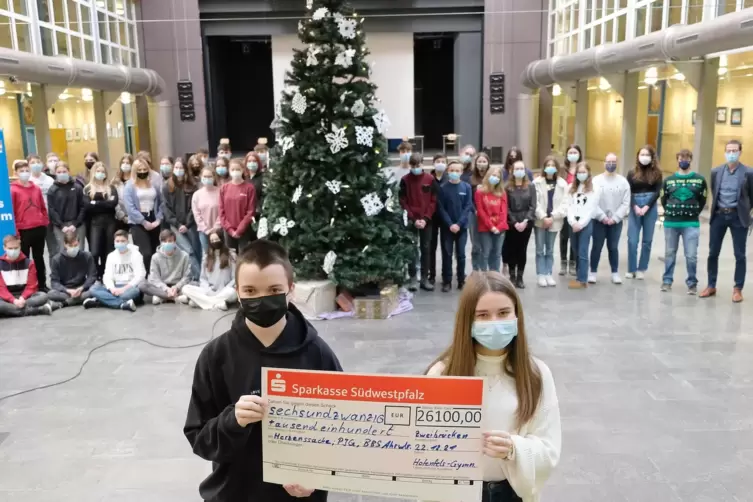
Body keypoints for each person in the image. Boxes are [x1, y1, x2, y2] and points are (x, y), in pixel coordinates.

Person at [184, 239, 342, 502]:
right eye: (250, 290)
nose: (261, 299)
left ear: (290, 289)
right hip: (233, 492)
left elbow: (341, 433)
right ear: (237, 291)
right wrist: (232, 420)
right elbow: (199, 439)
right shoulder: (216, 356)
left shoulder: (318, 354)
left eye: (273, 289)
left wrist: (316, 477)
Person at [425, 271, 561, 502]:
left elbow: (549, 447)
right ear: (467, 321)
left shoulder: (536, 374)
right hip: (457, 493)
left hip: (511, 493)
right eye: (483, 315)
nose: (495, 323)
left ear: (516, 315)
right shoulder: (442, 374)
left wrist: (513, 449)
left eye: (504, 313)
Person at [700, 139, 753, 303]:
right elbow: (714, 191)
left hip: (738, 217)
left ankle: (738, 289)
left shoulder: (748, 172)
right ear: (724, 152)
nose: (731, 153)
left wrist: (747, 211)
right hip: (719, 216)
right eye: (729, 150)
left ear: (740, 152)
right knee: (713, 252)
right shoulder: (716, 172)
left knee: (740, 254)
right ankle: (711, 285)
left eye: (734, 150)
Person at [660, 149, 707, 295]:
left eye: (686, 158)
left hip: (691, 224)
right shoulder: (668, 181)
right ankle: (667, 281)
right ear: (677, 160)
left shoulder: (700, 180)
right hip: (671, 223)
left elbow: (702, 200)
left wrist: (693, 213)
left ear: (691, 160)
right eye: (681, 158)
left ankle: (692, 283)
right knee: (669, 253)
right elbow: (663, 199)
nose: (683, 161)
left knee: (691, 255)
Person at [589, 153, 631, 285]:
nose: (611, 164)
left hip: (615, 222)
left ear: (617, 164)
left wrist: (616, 217)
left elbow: (626, 202)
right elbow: (592, 201)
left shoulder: (623, 182)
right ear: (604, 163)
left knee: (613, 247)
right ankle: (593, 272)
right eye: (608, 161)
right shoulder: (596, 181)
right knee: (597, 246)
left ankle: (615, 272)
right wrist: (602, 216)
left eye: (613, 162)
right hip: (599, 221)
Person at [400, 152, 437, 292]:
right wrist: (414, 219)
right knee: (411, 249)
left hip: (427, 220)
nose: (416, 168)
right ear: (410, 165)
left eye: (418, 165)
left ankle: (425, 278)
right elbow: (403, 201)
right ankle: (413, 278)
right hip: (411, 220)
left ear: (423, 164)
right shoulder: (405, 180)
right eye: (413, 165)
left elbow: (433, 201)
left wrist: (425, 218)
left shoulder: (430, 179)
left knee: (426, 249)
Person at [10, 159, 49, 291]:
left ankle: (42, 284)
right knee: (24, 259)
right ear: (15, 173)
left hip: (38, 227)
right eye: (21, 171)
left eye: (27, 170)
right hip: (23, 230)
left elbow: (42, 207)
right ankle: (27, 286)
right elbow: (13, 211)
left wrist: (44, 221)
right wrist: (16, 231)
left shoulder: (36, 188)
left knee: (39, 258)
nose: (25, 173)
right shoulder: (13, 190)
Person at [626, 145, 662, 280]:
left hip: (650, 206)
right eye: (642, 154)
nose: (644, 157)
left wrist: (647, 206)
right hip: (634, 205)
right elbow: (627, 191)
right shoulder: (631, 172)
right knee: (632, 240)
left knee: (647, 241)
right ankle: (631, 268)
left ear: (652, 157)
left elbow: (658, 191)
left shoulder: (657, 173)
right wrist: (635, 206)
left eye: (647, 155)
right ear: (637, 156)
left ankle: (642, 268)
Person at [163, 157, 202, 280]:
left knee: (197, 251)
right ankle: (198, 277)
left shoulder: (193, 185)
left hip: (191, 225)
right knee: (188, 251)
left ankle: (201, 277)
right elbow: (166, 208)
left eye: (181, 168)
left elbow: (194, 207)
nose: (178, 170)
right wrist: (178, 225)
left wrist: (187, 224)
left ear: (186, 170)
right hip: (176, 226)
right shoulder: (167, 186)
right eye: (176, 167)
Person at [87, 230, 145, 311]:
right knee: (93, 289)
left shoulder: (136, 254)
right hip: (115, 287)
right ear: (114, 242)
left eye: (122, 241)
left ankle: (101, 301)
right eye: (117, 241)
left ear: (127, 242)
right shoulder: (111, 256)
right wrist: (112, 289)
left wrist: (124, 289)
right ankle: (122, 304)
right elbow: (107, 276)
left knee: (133, 292)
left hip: (130, 287)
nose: (120, 243)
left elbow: (140, 275)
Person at [533, 156, 569, 287]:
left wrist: (552, 217)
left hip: (555, 220)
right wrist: (543, 216)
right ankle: (540, 274)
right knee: (539, 249)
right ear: (544, 167)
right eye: (547, 165)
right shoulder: (536, 182)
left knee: (549, 249)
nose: (550, 168)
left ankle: (548, 273)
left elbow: (565, 204)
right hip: (540, 221)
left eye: (553, 165)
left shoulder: (563, 184)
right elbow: (534, 202)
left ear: (557, 168)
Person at [438, 160, 473, 292]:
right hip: (447, 228)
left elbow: (468, 206)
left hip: (461, 228)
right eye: (452, 170)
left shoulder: (466, 187)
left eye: (457, 171)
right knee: (446, 254)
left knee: (461, 254)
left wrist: (458, 224)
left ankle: (461, 280)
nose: (454, 173)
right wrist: (450, 224)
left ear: (461, 172)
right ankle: (447, 281)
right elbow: (441, 208)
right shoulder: (443, 188)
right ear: (448, 171)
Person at [181, 229, 238, 310]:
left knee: (232, 292)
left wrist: (223, 290)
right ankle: (218, 303)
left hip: (225, 291)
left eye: (216, 239)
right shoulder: (206, 257)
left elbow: (235, 278)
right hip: (208, 291)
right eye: (212, 240)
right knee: (185, 288)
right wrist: (208, 290)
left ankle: (200, 302)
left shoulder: (231, 255)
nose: (214, 242)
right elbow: (203, 278)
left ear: (222, 239)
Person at [124, 158, 164, 273]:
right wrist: (143, 222)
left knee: (155, 252)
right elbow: (130, 208)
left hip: (153, 218)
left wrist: (158, 219)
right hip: (138, 222)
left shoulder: (153, 185)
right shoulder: (129, 186)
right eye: (139, 169)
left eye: (144, 169)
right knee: (145, 253)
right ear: (134, 171)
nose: (142, 171)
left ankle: (154, 276)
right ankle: (145, 277)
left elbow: (161, 203)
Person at [0, 235, 53, 317]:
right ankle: (36, 311)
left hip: (25, 297)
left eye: (16, 248)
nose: (13, 251)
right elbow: (1, 288)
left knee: (43, 296)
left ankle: (9, 311)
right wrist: (13, 300)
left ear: (20, 247)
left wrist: (22, 298)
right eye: (10, 248)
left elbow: (31, 286)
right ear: (4, 248)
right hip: (7, 298)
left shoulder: (29, 263)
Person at [503, 160, 536, 289]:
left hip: (526, 223)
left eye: (522, 168)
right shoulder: (507, 187)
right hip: (512, 223)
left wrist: (525, 221)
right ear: (512, 171)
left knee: (522, 250)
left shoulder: (531, 186)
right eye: (517, 168)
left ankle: (520, 277)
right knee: (511, 249)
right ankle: (512, 275)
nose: (519, 171)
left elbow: (533, 206)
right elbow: (506, 207)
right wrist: (515, 222)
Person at [84, 161, 119, 279]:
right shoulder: (88, 188)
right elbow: (88, 206)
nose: (100, 173)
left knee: (108, 251)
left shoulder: (111, 188)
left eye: (103, 172)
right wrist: (104, 202)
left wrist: (96, 203)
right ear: (93, 172)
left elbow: (113, 204)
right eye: (98, 171)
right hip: (95, 223)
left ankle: (106, 275)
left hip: (110, 222)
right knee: (94, 251)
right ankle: (94, 275)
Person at [567, 162, 599, 290]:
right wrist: (572, 222)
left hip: (585, 224)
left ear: (588, 173)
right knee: (575, 249)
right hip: (573, 223)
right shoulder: (571, 188)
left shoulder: (594, 189)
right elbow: (569, 206)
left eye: (583, 172)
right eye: (579, 172)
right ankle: (579, 276)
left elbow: (591, 209)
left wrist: (581, 224)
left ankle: (582, 279)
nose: (581, 175)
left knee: (583, 251)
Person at [139, 229, 192, 305]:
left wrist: (176, 287)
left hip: (178, 286)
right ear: (160, 242)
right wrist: (166, 289)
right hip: (162, 287)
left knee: (194, 284)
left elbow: (187, 277)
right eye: (164, 241)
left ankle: (162, 297)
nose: (167, 243)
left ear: (174, 242)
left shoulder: (184, 256)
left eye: (170, 241)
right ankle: (174, 298)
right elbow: (155, 278)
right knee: (142, 285)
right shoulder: (155, 257)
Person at [48, 231, 97, 307]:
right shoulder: (56, 259)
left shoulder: (87, 256)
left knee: (97, 287)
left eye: (75, 245)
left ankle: (65, 303)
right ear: (65, 244)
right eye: (70, 245)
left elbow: (92, 276)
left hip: (82, 288)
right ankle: (81, 300)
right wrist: (68, 290)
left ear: (79, 244)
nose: (73, 248)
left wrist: (82, 288)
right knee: (51, 294)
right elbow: (54, 282)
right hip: (66, 290)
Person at [47, 161, 87, 252]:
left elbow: (82, 207)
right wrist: (61, 226)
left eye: (64, 172)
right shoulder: (52, 190)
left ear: (68, 172)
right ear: (55, 173)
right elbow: (52, 210)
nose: (62, 174)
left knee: (79, 251)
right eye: (59, 172)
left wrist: (76, 224)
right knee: (63, 251)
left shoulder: (77, 187)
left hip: (78, 225)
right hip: (60, 227)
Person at [475, 165, 508, 274]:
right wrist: (491, 226)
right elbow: (480, 211)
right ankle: (484, 275)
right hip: (485, 227)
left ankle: (495, 275)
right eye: (493, 175)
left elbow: (504, 211)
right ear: (488, 175)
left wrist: (498, 227)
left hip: (500, 228)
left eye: (498, 177)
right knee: (485, 252)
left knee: (497, 253)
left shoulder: (502, 193)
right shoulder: (480, 192)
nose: (495, 178)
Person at [220, 158, 257, 253]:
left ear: (243, 170)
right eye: (233, 169)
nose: (235, 172)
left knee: (244, 256)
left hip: (244, 230)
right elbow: (221, 211)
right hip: (228, 230)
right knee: (231, 257)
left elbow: (251, 211)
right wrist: (230, 229)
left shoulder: (249, 188)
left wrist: (240, 229)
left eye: (238, 169)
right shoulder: (224, 188)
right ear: (229, 171)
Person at [27, 154, 57, 258]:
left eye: (38, 162)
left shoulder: (50, 180)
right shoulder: (27, 181)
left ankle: (55, 273)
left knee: (54, 249)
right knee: (37, 252)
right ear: (28, 165)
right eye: (32, 163)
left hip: (50, 219)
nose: (36, 165)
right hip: (35, 221)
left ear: (42, 164)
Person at [559, 144, 582, 277]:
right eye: (570, 152)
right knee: (564, 236)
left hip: (578, 208)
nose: (573, 154)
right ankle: (563, 262)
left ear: (579, 154)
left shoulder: (582, 168)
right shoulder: (562, 170)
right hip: (565, 207)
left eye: (575, 152)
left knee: (574, 235)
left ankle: (573, 262)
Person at [427, 153, 448, 285]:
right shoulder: (429, 178)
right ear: (434, 163)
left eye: (443, 161)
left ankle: (446, 276)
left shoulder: (448, 178)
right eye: (438, 161)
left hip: (446, 217)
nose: (440, 163)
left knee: (446, 248)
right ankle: (432, 275)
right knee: (431, 247)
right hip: (432, 217)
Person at [192, 166, 221, 255]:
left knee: (220, 255)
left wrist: (216, 228)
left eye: (209, 176)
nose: (207, 179)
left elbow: (222, 212)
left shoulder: (220, 192)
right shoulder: (197, 195)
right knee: (207, 256)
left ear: (214, 177)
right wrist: (206, 230)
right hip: (203, 232)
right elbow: (196, 214)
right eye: (205, 176)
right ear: (201, 177)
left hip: (219, 231)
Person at [112, 154, 133, 231]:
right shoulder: (115, 181)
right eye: (123, 163)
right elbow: (114, 200)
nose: (125, 165)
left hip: (134, 217)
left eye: (128, 163)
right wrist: (122, 216)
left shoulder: (135, 180)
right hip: (119, 218)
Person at [245, 151, 265, 222]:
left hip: (258, 213)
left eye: (254, 161)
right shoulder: (244, 177)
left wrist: (258, 208)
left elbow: (264, 195)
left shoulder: (264, 177)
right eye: (249, 161)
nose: (252, 163)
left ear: (258, 163)